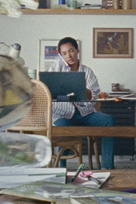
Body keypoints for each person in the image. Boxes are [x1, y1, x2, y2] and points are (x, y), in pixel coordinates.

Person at [48, 36, 116, 169]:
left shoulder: (87, 72)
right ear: (60, 55)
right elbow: (48, 91)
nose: (69, 55)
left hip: (85, 114)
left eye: (71, 50)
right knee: (63, 127)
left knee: (109, 121)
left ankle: (107, 166)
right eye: (64, 53)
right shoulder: (56, 69)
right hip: (62, 114)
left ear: (77, 50)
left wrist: (81, 88)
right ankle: (62, 168)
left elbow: (95, 95)